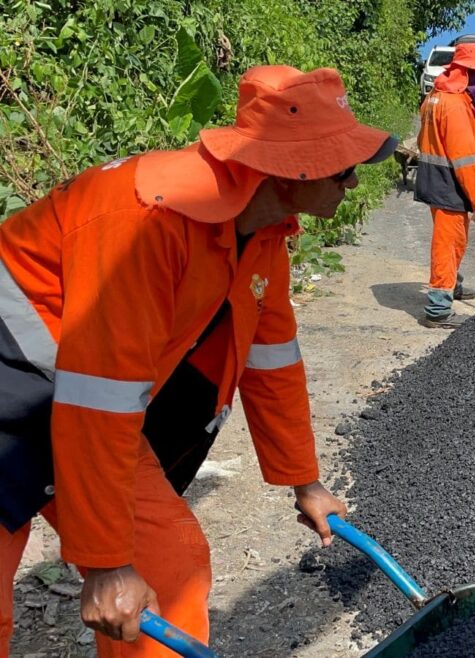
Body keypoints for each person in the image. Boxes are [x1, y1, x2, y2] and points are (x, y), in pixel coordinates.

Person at [0, 65, 396, 657]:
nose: (354, 184)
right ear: (289, 170)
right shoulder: (148, 220)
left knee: (170, 566)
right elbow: (99, 391)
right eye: (344, 168)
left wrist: (304, 481)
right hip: (17, 389)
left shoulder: (263, 232)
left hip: (76, 402)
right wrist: (106, 564)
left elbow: (271, 363)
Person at [415, 42, 475, 329]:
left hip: (432, 176)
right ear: (464, 73)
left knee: (455, 239)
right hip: (448, 181)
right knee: (448, 244)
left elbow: (422, 140)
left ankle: (453, 284)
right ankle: (438, 308)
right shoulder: (456, 105)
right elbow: (466, 161)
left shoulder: (434, 96)